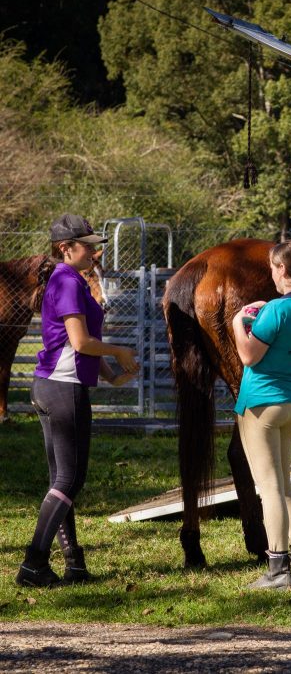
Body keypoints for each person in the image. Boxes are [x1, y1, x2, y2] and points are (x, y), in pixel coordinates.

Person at [16, 214, 139, 587]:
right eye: (88, 245)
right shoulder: (67, 281)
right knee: (70, 479)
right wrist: (118, 351)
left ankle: (74, 564)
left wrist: (110, 376)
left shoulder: (69, 280)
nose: (95, 251)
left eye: (96, 244)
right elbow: (81, 342)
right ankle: (33, 564)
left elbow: (79, 346)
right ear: (65, 248)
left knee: (61, 480)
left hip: (54, 385)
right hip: (62, 389)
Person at [232, 240, 291, 589]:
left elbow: (248, 356)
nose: (271, 273)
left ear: (282, 270)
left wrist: (238, 321)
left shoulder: (275, 309)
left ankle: (277, 569)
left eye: (273, 267)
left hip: (261, 404)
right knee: (285, 486)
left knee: (268, 489)